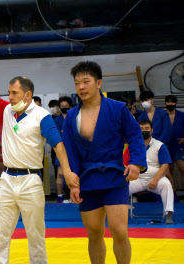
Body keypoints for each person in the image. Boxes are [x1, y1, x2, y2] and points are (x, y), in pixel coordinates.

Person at [0, 56, 79, 264]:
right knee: (0, 236)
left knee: (35, 236)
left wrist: (67, 171)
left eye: (14, 93)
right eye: (9, 93)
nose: (10, 97)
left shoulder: (41, 116)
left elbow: (58, 145)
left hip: (30, 181)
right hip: (6, 179)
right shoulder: (6, 110)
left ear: (28, 94)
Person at [62, 61, 147, 264]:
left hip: (114, 176)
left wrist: (135, 162)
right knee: (94, 233)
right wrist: (73, 184)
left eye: (86, 81)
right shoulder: (71, 116)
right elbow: (69, 151)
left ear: (98, 83)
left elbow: (135, 136)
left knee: (119, 230)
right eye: (77, 83)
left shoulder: (117, 109)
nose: (81, 87)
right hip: (87, 179)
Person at [124, 120, 174, 224]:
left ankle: (169, 215)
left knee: (166, 185)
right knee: (120, 185)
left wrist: (155, 180)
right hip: (136, 178)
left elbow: (165, 165)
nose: (144, 130)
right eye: (141, 129)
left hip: (155, 179)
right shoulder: (132, 146)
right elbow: (125, 163)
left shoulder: (160, 145)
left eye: (146, 128)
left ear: (151, 130)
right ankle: (118, 213)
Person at [54, 96, 72, 203]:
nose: (64, 108)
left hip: (73, 151)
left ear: (70, 106)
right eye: (62, 106)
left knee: (74, 173)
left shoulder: (74, 117)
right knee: (60, 174)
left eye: (66, 106)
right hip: (61, 150)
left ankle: (73, 195)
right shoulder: (57, 120)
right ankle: (60, 197)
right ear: (59, 108)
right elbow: (56, 135)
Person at [165, 95, 184, 189]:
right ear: (165, 103)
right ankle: (172, 194)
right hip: (166, 146)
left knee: (183, 168)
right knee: (169, 171)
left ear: (176, 103)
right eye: (168, 102)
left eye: (172, 102)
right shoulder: (162, 115)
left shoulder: (182, 115)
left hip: (179, 146)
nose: (170, 104)